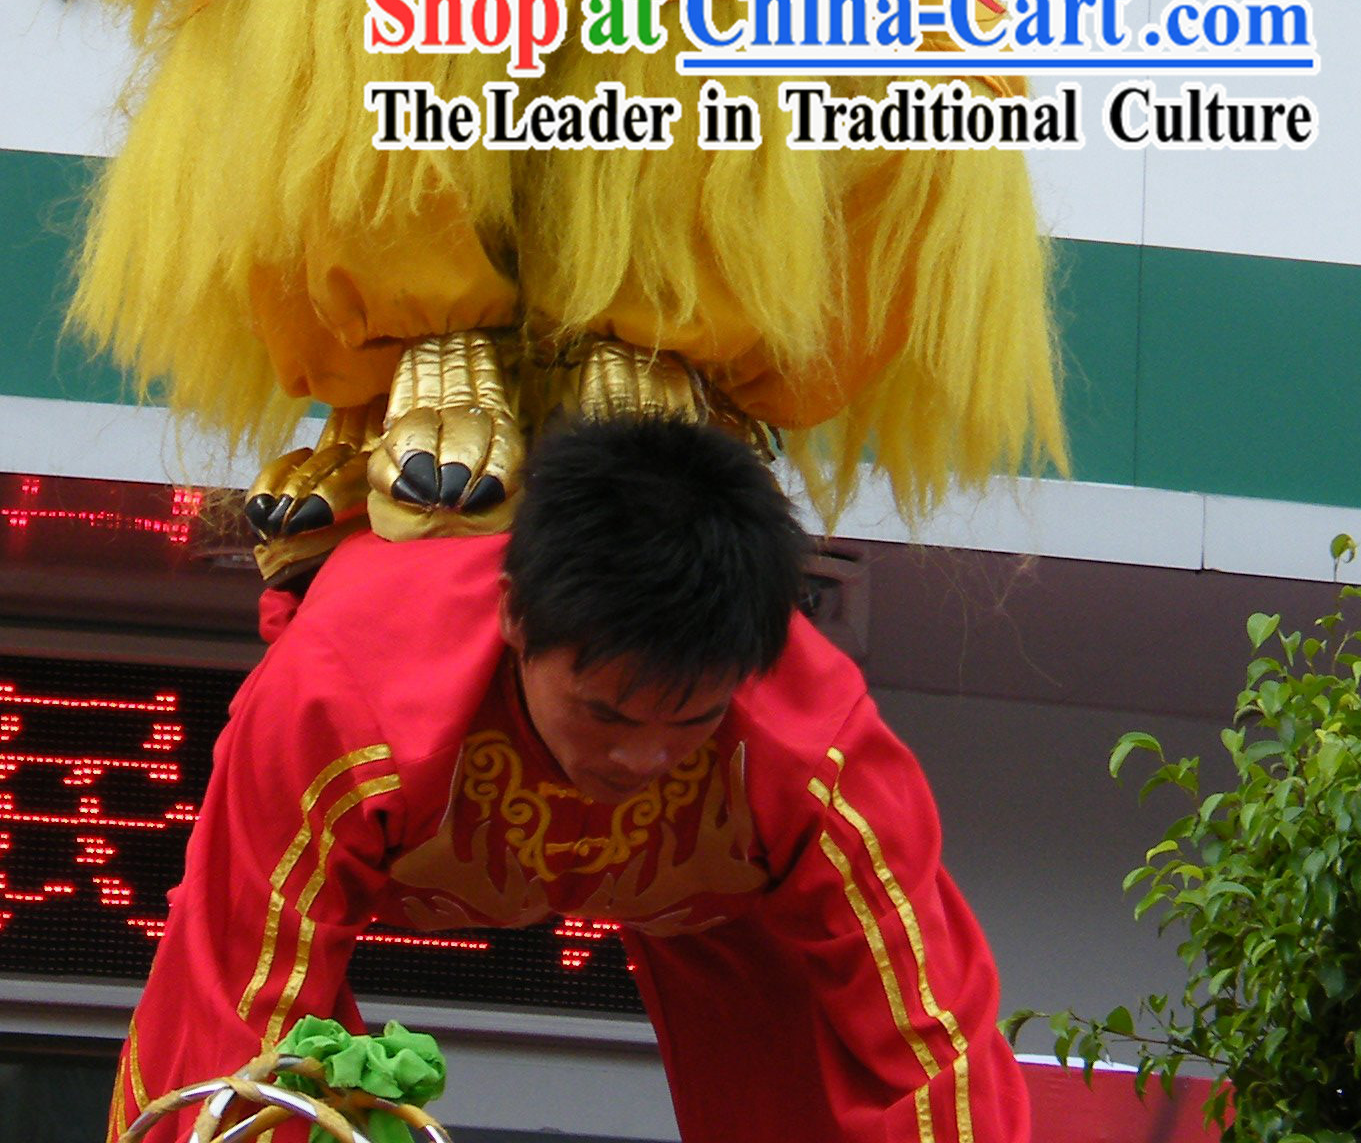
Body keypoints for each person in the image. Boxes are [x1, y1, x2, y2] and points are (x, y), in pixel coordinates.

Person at [112, 418, 1025, 1143]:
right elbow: (239, 1007)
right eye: (608, 714)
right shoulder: (338, 703)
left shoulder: (816, 747)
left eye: (694, 722)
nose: (641, 761)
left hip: (732, 918)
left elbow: (933, 1047)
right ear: (513, 615)